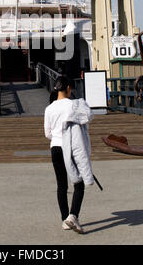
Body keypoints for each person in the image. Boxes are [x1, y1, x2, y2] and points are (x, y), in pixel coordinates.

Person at [44, 75, 94, 234]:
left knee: (61, 184)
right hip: (71, 147)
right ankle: (73, 216)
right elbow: (87, 118)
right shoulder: (73, 105)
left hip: (55, 148)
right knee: (78, 183)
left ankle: (64, 219)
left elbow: (47, 133)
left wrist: (57, 138)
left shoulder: (49, 108)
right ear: (68, 88)